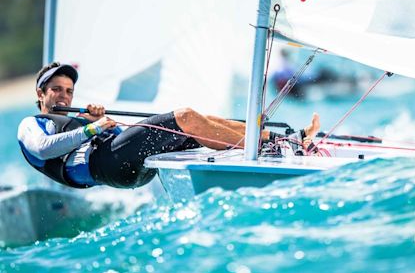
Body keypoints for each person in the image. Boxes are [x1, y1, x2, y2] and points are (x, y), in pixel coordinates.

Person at [18, 62, 320, 189]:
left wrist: (99, 124)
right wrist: (91, 129)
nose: (64, 95)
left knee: (201, 125)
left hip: (129, 169)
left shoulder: (76, 120)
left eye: (69, 90)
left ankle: (285, 139)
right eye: (56, 89)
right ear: (40, 93)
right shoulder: (30, 124)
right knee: (184, 116)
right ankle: (269, 144)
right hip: (106, 167)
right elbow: (43, 150)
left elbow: (125, 140)